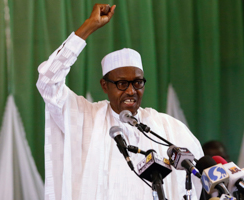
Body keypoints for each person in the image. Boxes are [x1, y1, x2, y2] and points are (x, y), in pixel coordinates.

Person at [36, 4, 204, 200]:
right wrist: (88, 27)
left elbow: (197, 177)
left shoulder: (167, 127)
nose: (131, 91)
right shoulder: (84, 118)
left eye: (137, 83)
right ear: (105, 86)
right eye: (122, 83)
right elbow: (48, 81)